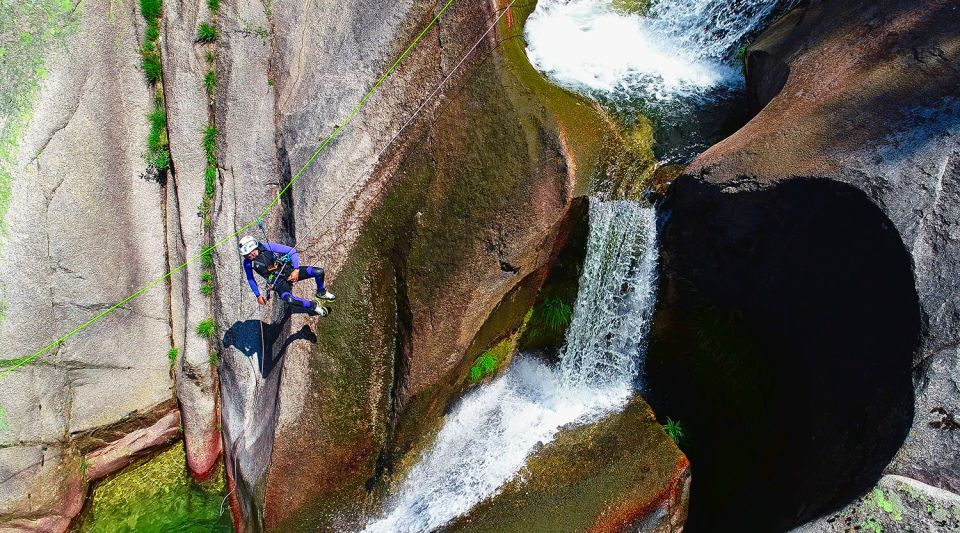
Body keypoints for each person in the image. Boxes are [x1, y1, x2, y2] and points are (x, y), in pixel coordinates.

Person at [238, 235, 335, 316]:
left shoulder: (267, 247)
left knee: (318, 272)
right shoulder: (247, 263)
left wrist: (296, 270)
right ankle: (314, 306)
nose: (246, 257)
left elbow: (291, 251)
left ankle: (321, 293)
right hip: (278, 283)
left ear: (252, 249)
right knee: (289, 299)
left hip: (289, 271)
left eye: (246, 255)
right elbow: (250, 279)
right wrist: (258, 296)